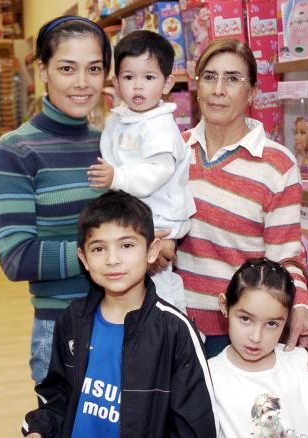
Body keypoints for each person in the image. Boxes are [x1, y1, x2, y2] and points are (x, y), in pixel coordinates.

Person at [173, 38, 308, 372]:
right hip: (174, 324)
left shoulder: (276, 164)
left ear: (253, 92)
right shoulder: (173, 152)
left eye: (232, 79)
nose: (218, 89)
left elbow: (285, 255)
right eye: (209, 77)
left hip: (239, 334)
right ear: (197, 88)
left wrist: (301, 306)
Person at [21, 190, 218, 438]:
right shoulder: (72, 320)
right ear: (83, 258)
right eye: (98, 249)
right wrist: (39, 429)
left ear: (152, 250)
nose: (112, 259)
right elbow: (56, 396)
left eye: (126, 245)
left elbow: (194, 426)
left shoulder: (175, 331)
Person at [0, 16, 112, 384]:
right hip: (62, 330)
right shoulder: (16, 151)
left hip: (125, 323)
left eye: (94, 69)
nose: (81, 83)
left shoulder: (110, 144)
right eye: (67, 68)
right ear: (43, 69)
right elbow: (15, 257)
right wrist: (104, 255)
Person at [88, 30, 196, 313]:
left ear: (166, 83)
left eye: (148, 78)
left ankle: (175, 329)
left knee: (160, 288)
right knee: (133, 287)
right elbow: (110, 155)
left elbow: (154, 173)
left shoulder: (160, 125)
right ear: (115, 82)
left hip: (162, 217)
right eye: (128, 77)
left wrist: (117, 178)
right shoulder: (118, 120)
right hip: (134, 215)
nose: (138, 87)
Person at [208, 258, 308, 437]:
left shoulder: (300, 363)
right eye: (245, 319)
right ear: (225, 306)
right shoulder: (210, 376)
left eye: (271, 324)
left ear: (288, 319)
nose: (256, 337)